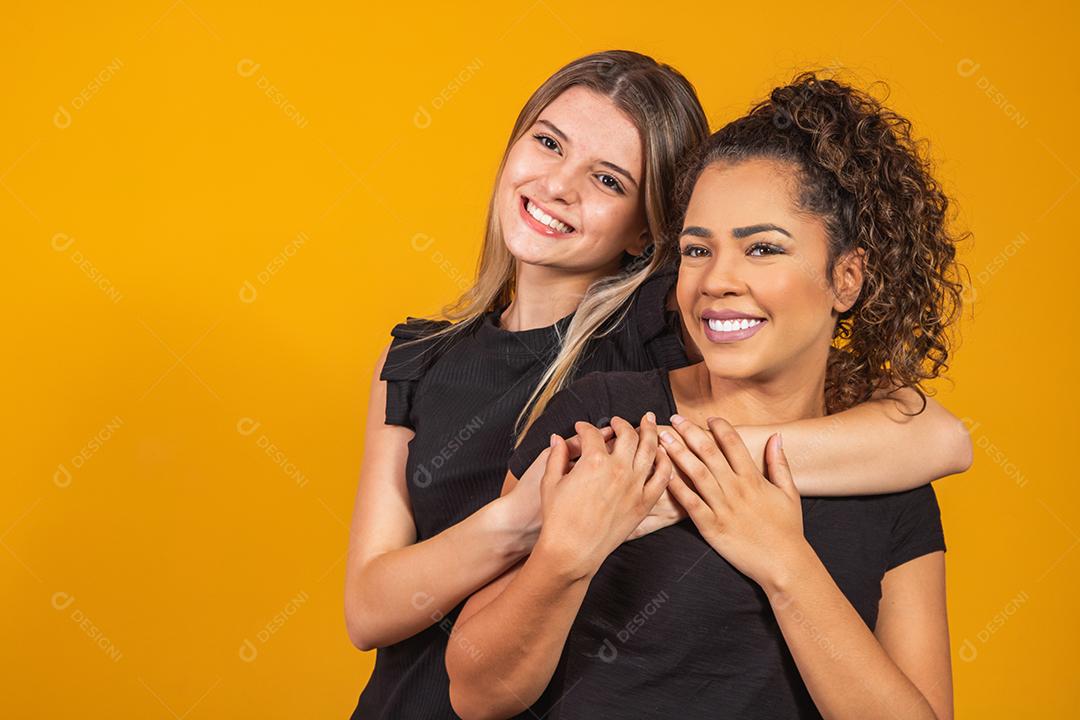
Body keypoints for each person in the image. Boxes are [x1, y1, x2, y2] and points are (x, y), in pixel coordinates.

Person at [348, 54, 970, 719]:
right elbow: (368, 609)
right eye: (549, 142)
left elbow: (940, 438)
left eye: (607, 179)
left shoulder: (654, 330)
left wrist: (703, 469)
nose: (558, 185)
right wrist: (534, 521)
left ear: (651, 231)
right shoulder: (420, 356)